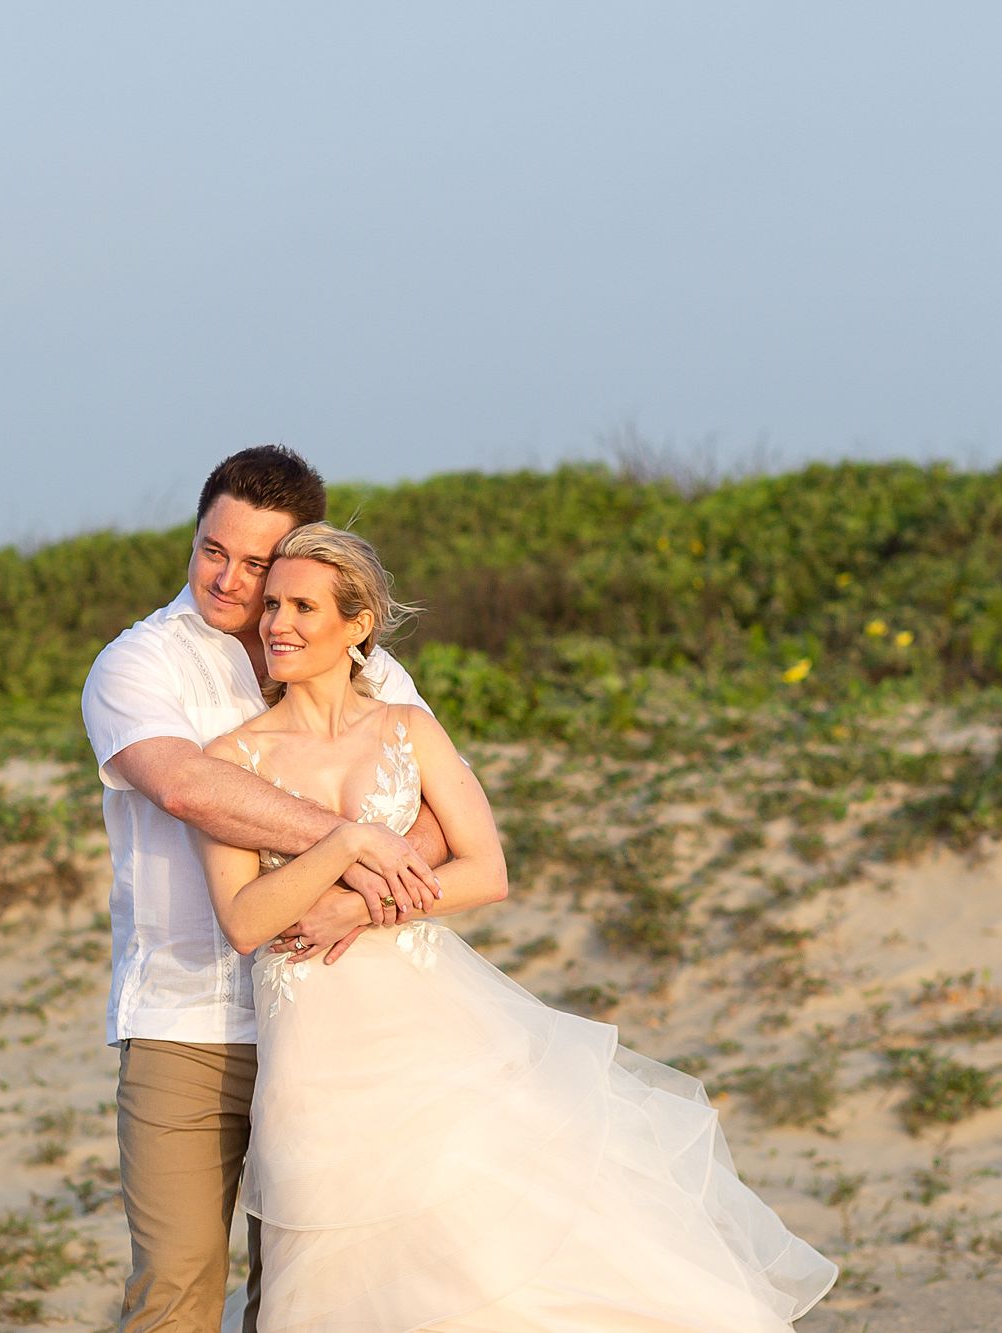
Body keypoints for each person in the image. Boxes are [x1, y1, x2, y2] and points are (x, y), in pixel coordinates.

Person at [196, 523, 839, 1331]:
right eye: (273, 606)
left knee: (478, 1255)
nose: (277, 623)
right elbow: (246, 920)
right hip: (314, 1056)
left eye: (302, 606)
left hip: (429, 1031)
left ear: (357, 624)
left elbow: (485, 870)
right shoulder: (229, 759)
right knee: (345, 1273)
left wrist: (360, 902)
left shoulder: (407, 730)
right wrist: (350, 841)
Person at [81, 447, 457, 1332]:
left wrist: (359, 895)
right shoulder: (139, 663)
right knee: (175, 1287)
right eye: (215, 549)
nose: (229, 577)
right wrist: (348, 842)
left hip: (335, 1019)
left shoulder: (354, 661)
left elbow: (441, 808)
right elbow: (185, 786)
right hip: (187, 1023)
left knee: (309, 1292)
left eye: (258, 564)